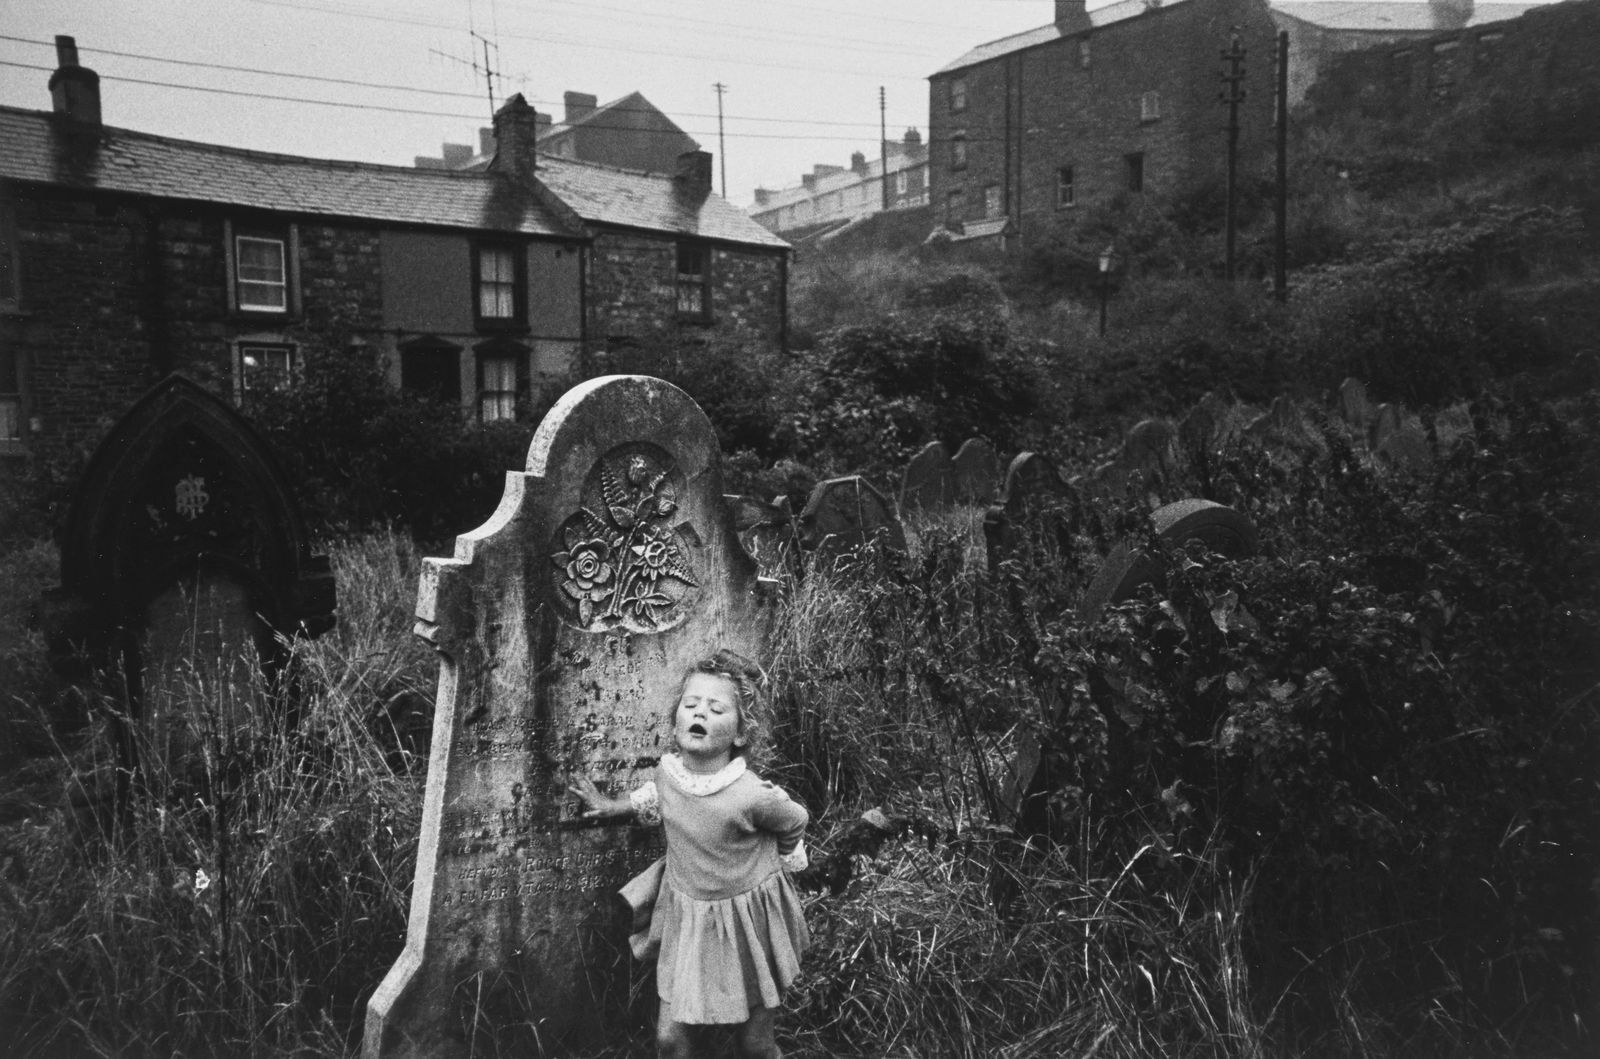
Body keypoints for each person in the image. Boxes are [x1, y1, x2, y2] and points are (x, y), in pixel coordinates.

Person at [569, 649, 809, 1059]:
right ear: (677, 717)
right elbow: (659, 796)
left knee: (753, 1045)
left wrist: (783, 864)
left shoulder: (749, 795)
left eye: (716, 709)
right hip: (689, 920)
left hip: (747, 921)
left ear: (740, 734)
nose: (700, 713)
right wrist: (612, 807)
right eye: (691, 704)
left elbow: (795, 819)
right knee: (670, 1041)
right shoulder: (669, 773)